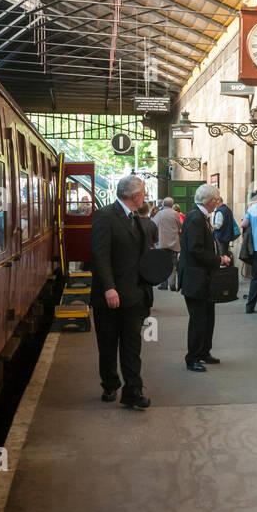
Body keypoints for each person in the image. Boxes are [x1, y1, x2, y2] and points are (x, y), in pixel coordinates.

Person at [90, 174, 152, 409]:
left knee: (132, 345)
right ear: (135, 196)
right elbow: (100, 254)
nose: (145, 197)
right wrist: (109, 287)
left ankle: (133, 391)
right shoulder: (105, 216)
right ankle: (109, 383)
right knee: (107, 345)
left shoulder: (134, 219)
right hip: (111, 296)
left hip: (133, 296)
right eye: (144, 193)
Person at [178, 184, 231, 372]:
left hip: (204, 277)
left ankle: (203, 352)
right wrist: (219, 259)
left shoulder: (201, 217)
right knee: (198, 319)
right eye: (217, 200)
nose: (218, 203)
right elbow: (195, 249)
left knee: (208, 317)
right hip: (195, 277)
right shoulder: (195, 218)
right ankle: (192, 356)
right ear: (210, 201)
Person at [154, 197, 182, 290]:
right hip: (173, 243)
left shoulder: (159, 214)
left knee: (162, 264)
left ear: (163, 204)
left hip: (162, 243)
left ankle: (163, 285)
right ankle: (172, 285)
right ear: (172, 204)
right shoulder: (175, 214)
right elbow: (180, 226)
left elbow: (153, 225)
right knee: (173, 265)